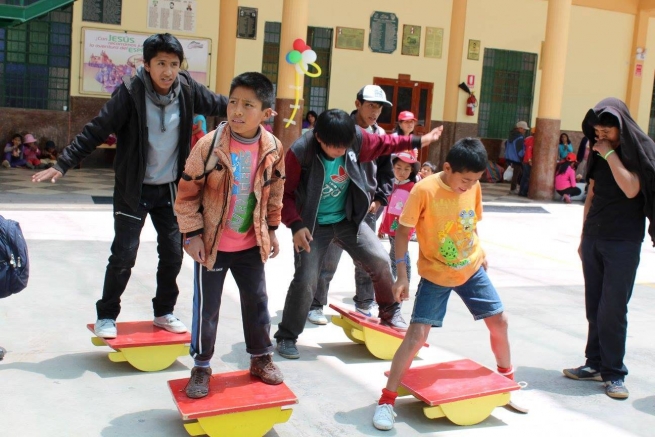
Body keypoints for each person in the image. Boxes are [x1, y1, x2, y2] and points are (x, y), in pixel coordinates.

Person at [32, 33, 228, 339]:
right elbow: (96, 130)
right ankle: (107, 315)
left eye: (174, 64)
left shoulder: (187, 88)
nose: (168, 71)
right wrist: (63, 163)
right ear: (147, 65)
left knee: (173, 254)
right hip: (133, 191)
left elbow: (221, 104)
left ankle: (164, 311)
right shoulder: (129, 93)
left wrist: (250, 108)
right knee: (124, 254)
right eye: (161, 63)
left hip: (171, 191)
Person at [275, 109, 443, 359]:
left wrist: (420, 140)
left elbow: (386, 143)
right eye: (334, 148)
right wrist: (296, 225)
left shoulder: (356, 138)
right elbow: (284, 194)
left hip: (348, 219)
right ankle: (287, 336)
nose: (340, 152)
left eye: (344, 147)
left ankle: (389, 313)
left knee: (379, 260)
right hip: (312, 226)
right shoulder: (301, 151)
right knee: (306, 279)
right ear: (318, 137)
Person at [372, 138, 514, 430]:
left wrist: (481, 252)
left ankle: (506, 382)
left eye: (475, 180)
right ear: (447, 168)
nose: (469, 185)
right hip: (437, 272)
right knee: (416, 337)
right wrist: (402, 274)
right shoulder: (425, 190)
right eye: (465, 179)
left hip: (471, 267)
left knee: (499, 321)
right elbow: (401, 233)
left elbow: (471, 222)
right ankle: (387, 401)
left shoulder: (473, 186)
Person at [175, 72, 285, 398]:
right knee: (207, 308)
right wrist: (192, 235)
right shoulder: (208, 146)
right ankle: (201, 365)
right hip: (212, 246)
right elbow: (186, 194)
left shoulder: (273, 147)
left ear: (266, 113)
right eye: (233, 102)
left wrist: (273, 229)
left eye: (247, 105)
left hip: (251, 244)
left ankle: (260, 359)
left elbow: (274, 192)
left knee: (258, 303)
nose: (236, 110)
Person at [563, 97, 655, 400]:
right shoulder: (597, 153)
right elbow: (592, 192)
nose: (600, 137)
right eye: (597, 132)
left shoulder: (636, 152)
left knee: (613, 309)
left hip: (623, 242)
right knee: (594, 306)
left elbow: (631, 189)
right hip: (595, 238)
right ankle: (594, 364)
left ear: (621, 128)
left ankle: (614, 373)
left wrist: (611, 155)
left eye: (606, 132)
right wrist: (583, 236)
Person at [307, 85, 395, 326]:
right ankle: (316, 304)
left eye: (379, 107)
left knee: (369, 259)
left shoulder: (381, 136)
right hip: (337, 206)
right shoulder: (340, 130)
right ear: (357, 104)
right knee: (327, 258)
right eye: (370, 105)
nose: (375, 112)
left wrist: (379, 200)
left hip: (367, 209)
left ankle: (365, 303)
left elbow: (387, 173)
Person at [378, 152, 419, 281]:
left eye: (407, 169)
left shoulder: (413, 188)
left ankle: (401, 281)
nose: (402, 172)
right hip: (391, 227)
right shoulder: (390, 185)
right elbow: (387, 210)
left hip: (403, 228)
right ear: (392, 167)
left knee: (399, 254)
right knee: (395, 253)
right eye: (398, 167)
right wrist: (381, 227)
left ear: (412, 171)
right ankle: (396, 282)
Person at [504, 121, 528, 194]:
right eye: (524, 129)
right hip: (517, 159)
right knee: (516, 174)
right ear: (520, 128)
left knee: (516, 174)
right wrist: (522, 157)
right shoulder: (519, 138)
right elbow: (520, 150)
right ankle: (513, 189)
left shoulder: (511, 136)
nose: (524, 131)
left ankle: (516, 188)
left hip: (509, 158)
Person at [518, 128, 535, 197]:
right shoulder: (531, 140)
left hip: (526, 161)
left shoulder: (528, 139)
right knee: (527, 177)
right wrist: (530, 161)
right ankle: (523, 192)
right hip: (527, 162)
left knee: (525, 177)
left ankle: (521, 191)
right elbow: (528, 151)